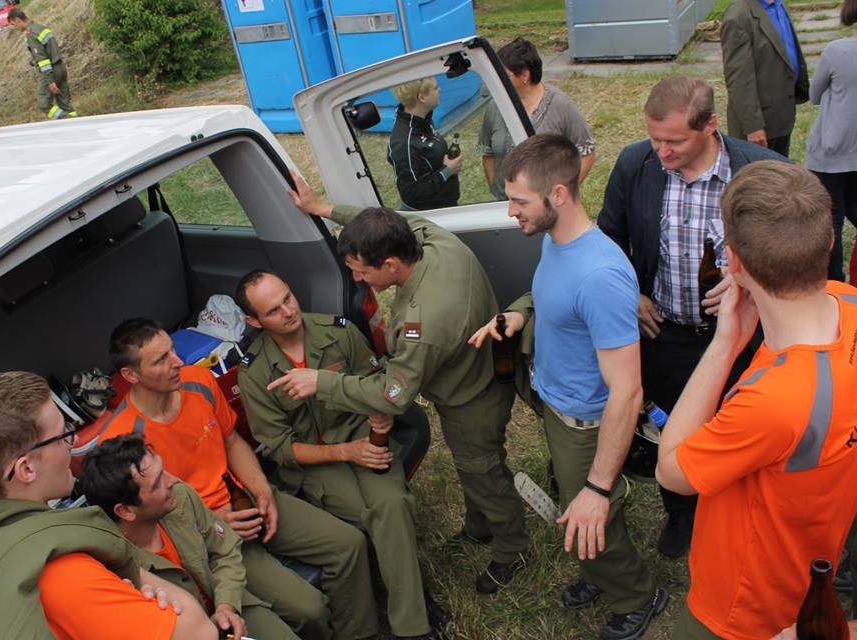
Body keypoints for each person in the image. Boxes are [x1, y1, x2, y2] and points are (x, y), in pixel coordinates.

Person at [279, 172, 529, 595]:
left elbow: (391, 396)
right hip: (481, 371)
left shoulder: (423, 324)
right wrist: (321, 208)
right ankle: (480, 526)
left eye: (361, 272)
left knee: (483, 470)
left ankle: (511, 549)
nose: (357, 280)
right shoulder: (430, 240)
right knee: (474, 466)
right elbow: (381, 218)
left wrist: (321, 382)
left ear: (391, 265)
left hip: (472, 400)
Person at [469, 133, 665, 640]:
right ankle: (598, 570)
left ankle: (636, 595)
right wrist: (519, 314)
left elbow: (627, 391)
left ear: (558, 194)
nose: (510, 212)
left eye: (519, 201)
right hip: (556, 407)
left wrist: (598, 488)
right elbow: (550, 297)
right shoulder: (557, 241)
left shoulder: (599, 275)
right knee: (577, 509)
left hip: (586, 423)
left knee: (591, 514)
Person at [656, 161, 857, 639]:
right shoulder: (848, 301)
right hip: (813, 559)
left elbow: (673, 471)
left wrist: (725, 343)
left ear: (734, 262)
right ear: (829, 240)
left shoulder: (774, 402)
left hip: (746, 604)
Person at [597, 75, 787, 558]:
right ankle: (683, 513)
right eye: (655, 138)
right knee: (672, 427)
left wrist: (753, 287)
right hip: (666, 335)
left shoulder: (762, 171)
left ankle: (743, 515)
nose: (661, 151)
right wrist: (633, 293)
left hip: (746, 342)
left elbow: (799, 260)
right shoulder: (636, 164)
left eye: (675, 141)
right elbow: (609, 237)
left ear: (710, 126)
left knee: (744, 432)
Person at [99, 318, 376, 640]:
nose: (178, 362)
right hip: (211, 534)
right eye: (161, 360)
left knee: (349, 544)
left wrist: (261, 490)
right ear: (131, 375)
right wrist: (214, 520)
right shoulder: (123, 440)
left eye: (173, 350)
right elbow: (144, 520)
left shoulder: (199, 381)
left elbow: (232, 441)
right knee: (309, 608)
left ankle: (360, 633)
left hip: (248, 498)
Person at [235, 269, 443, 640]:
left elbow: (375, 385)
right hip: (316, 463)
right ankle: (413, 604)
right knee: (373, 514)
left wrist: (380, 420)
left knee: (391, 504)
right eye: (273, 310)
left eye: (287, 297)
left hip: (365, 437)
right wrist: (347, 452)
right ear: (254, 321)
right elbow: (281, 448)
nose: (288, 311)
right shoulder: (255, 373)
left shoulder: (338, 331)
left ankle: (411, 626)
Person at [0, 371, 222, 640]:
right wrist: (153, 585)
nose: (71, 443)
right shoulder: (60, 572)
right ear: (26, 469)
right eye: (63, 435)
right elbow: (200, 633)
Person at [81, 434, 299, 640]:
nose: (172, 480)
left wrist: (226, 607)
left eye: (163, 470)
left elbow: (225, 551)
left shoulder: (180, 498)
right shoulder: (111, 566)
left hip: (227, 601)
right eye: (157, 483)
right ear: (126, 511)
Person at [479, 37, 595, 199]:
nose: (497, 80)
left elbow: (586, 153)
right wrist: (496, 190)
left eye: (503, 75)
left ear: (525, 75)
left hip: (546, 206)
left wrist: (562, 195)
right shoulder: (495, 107)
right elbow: (488, 152)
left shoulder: (562, 106)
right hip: (504, 206)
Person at [806, 0, 857, 281]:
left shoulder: (836, 51)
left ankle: (835, 283)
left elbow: (814, 95)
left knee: (831, 221)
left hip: (831, 152)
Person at [720, 0, 809, 157]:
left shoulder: (778, 5)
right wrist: (753, 126)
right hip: (759, 126)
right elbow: (739, 78)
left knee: (780, 169)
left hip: (781, 115)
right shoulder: (738, 16)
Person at [387, 77, 462, 210]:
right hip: (430, 214)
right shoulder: (404, 143)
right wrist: (446, 171)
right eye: (435, 88)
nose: (440, 90)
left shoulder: (423, 120)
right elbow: (411, 194)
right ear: (422, 97)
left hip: (446, 205)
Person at [7, 8, 77, 120]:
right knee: (65, 104)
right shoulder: (40, 27)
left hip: (52, 71)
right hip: (61, 67)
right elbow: (48, 50)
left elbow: (43, 60)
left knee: (43, 103)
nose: (14, 28)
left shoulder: (30, 34)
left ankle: (66, 120)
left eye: (13, 24)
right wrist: (34, 61)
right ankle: (77, 123)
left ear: (17, 20)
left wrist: (50, 81)